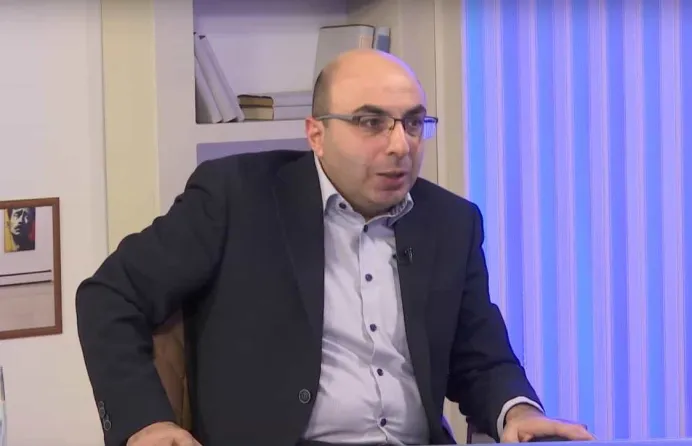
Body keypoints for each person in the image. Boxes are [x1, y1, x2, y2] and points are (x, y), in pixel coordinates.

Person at [75, 49, 595, 446]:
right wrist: (146, 422)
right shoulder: (236, 198)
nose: (400, 145)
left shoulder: (451, 222)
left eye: (414, 123)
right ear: (316, 135)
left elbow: (479, 356)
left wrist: (517, 411)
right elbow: (110, 295)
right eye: (372, 123)